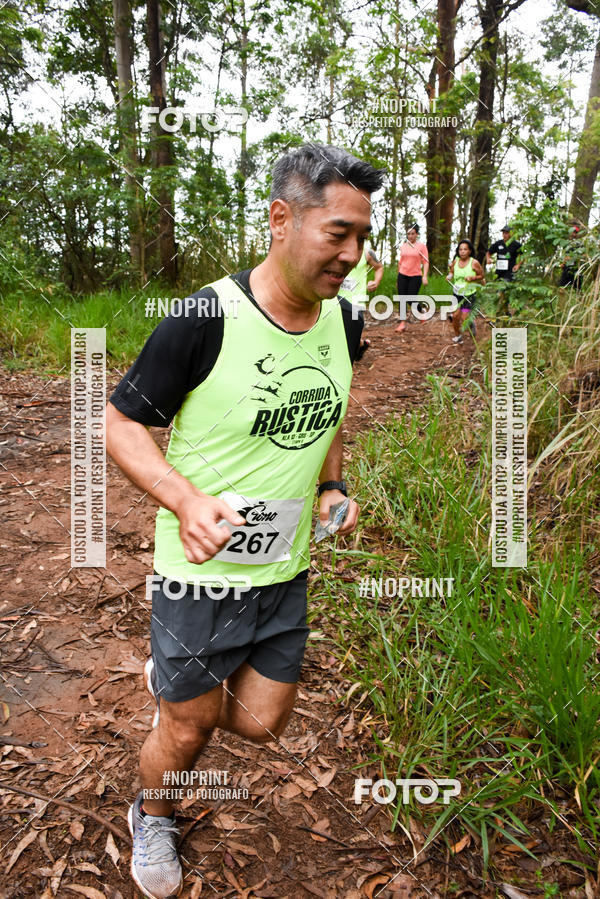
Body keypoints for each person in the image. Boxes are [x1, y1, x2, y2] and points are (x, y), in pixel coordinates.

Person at [106, 144, 385, 899]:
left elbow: (329, 413)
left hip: (285, 565)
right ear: (280, 218)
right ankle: (153, 810)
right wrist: (186, 501)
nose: (354, 253)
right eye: (338, 233)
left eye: (364, 235)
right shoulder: (204, 318)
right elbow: (121, 424)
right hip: (200, 572)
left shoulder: (346, 322)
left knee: (262, 724)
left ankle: (173, 682)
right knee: (191, 729)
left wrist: (333, 488)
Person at [339, 246, 384, 357]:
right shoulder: (335, 249)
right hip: (335, 299)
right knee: (340, 335)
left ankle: (355, 348)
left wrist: (376, 282)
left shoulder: (367, 253)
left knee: (350, 336)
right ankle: (361, 344)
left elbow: (379, 267)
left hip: (356, 302)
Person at [447, 238, 485, 343]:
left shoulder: (474, 263)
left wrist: (472, 278)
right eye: (460, 249)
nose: (462, 251)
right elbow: (451, 271)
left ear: (469, 251)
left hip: (469, 295)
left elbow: (482, 275)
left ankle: (470, 323)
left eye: (465, 249)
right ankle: (458, 336)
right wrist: (449, 276)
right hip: (457, 294)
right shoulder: (456, 261)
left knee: (464, 318)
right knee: (455, 316)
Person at [395, 223, 429, 333]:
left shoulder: (421, 247)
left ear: (417, 234)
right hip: (402, 275)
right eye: (408, 234)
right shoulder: (403, 246)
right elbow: (400, 262)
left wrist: (424, 276)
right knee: (402, 298)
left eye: (412, 234)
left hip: (415, 276)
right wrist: (397, 278)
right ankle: (403, 323)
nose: (410, 236)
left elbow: (426, 262)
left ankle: (421, 311)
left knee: (410, 298)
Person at [486, 225, 522, 316]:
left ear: (511, 233)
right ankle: (504, 312)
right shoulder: (498, 244)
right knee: (500, 293)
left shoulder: (516, 244)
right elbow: (488, 252)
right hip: (499, 273)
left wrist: (518, 265)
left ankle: (499, 312)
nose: (505, 235)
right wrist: (488, 259)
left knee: (503, 292)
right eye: (504, 233)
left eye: (507, 233)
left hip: (509, 273)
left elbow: (522, 256)